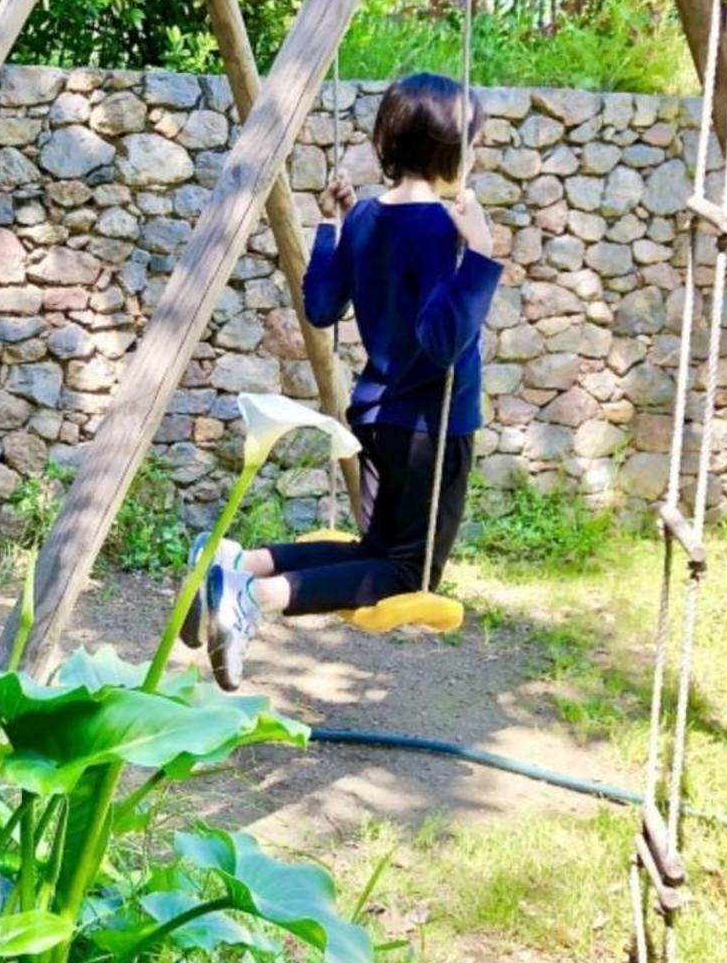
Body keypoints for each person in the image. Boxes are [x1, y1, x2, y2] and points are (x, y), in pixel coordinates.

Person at [185, 72, 503, 688]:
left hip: (378, 417)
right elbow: (442, 341)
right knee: (409, 573)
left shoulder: (362, 221)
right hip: (428, 426)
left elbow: (323, 306)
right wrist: (482, 255)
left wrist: (328, 226)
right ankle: (253, 601)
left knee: (373, 553)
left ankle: (235, 564)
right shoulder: (447, 231)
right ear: (450, 151)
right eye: (476, 143)